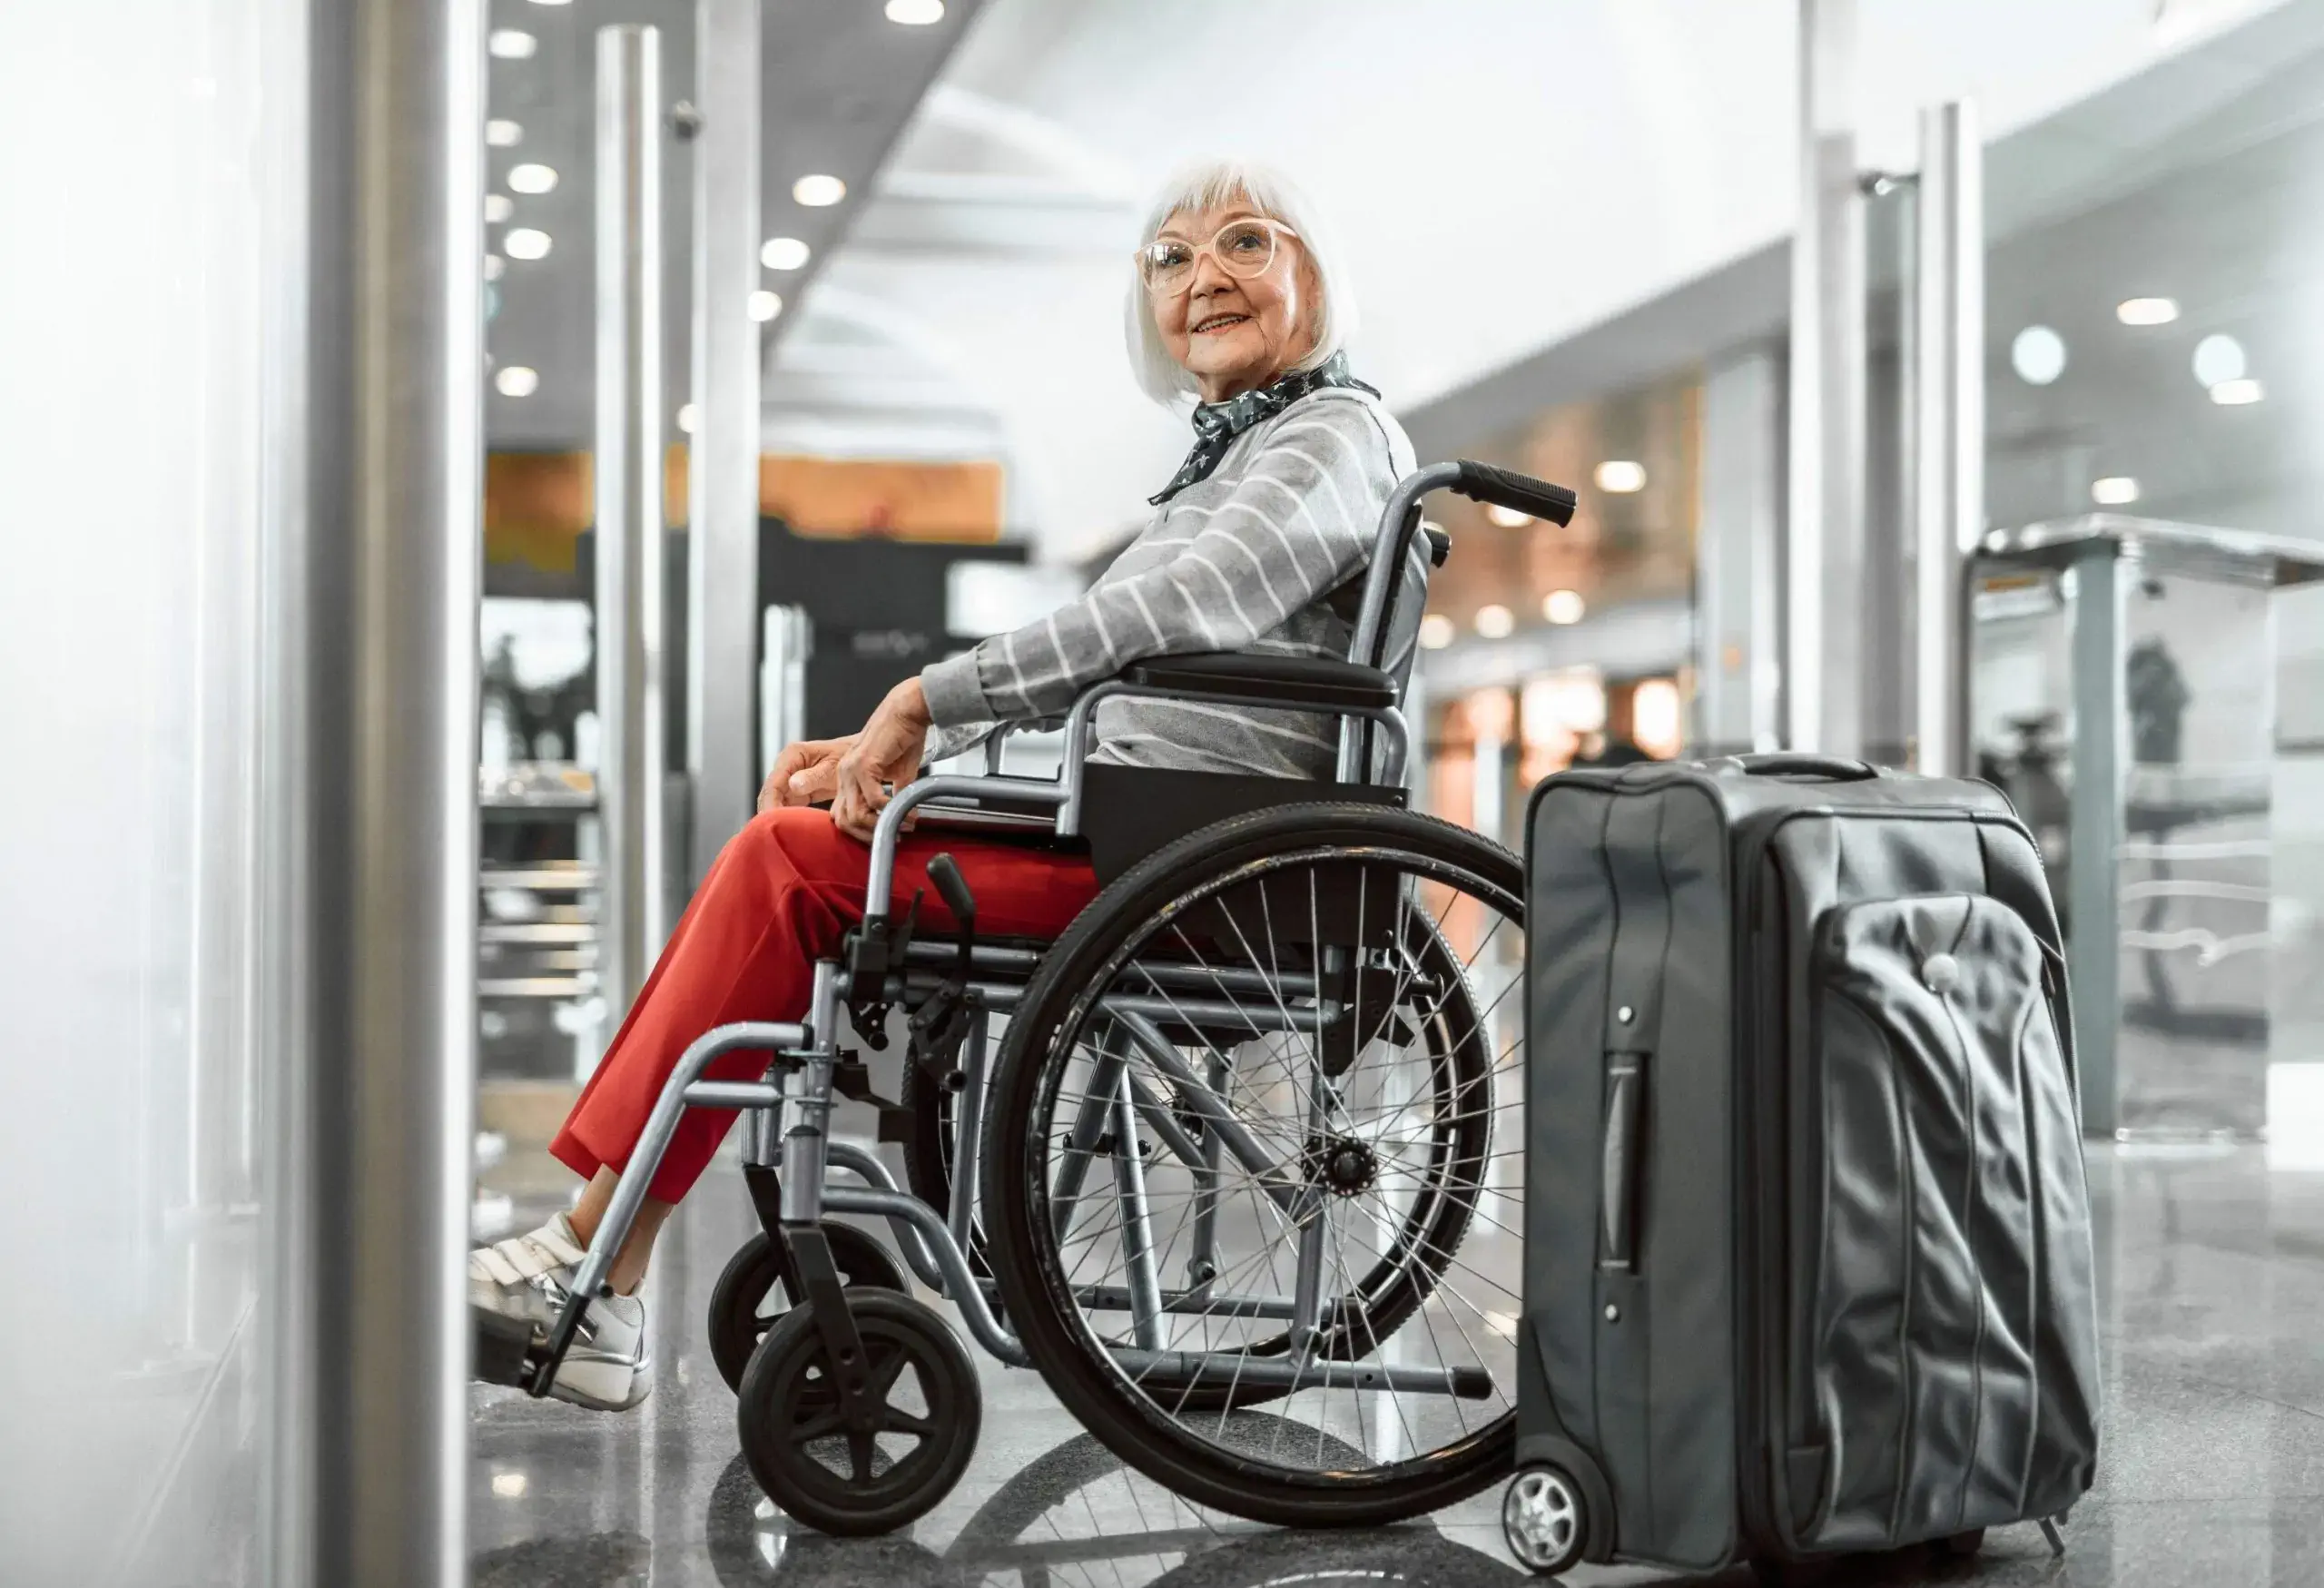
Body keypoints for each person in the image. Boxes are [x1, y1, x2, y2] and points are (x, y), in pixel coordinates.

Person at [469, 158, 1419, 1410]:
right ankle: (598, 1252)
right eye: (1170, 258)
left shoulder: (1332, 436)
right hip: (1156, 831)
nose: (1202, 279)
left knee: (782, 867)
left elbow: (1164, 618)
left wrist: (927, 704)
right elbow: (1131, 698)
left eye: (1245, 241)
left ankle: (594, 1267)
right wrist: (894, 755)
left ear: (1314, 272)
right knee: (804, 831)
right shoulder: (1251, 453)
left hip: (1197, 865)